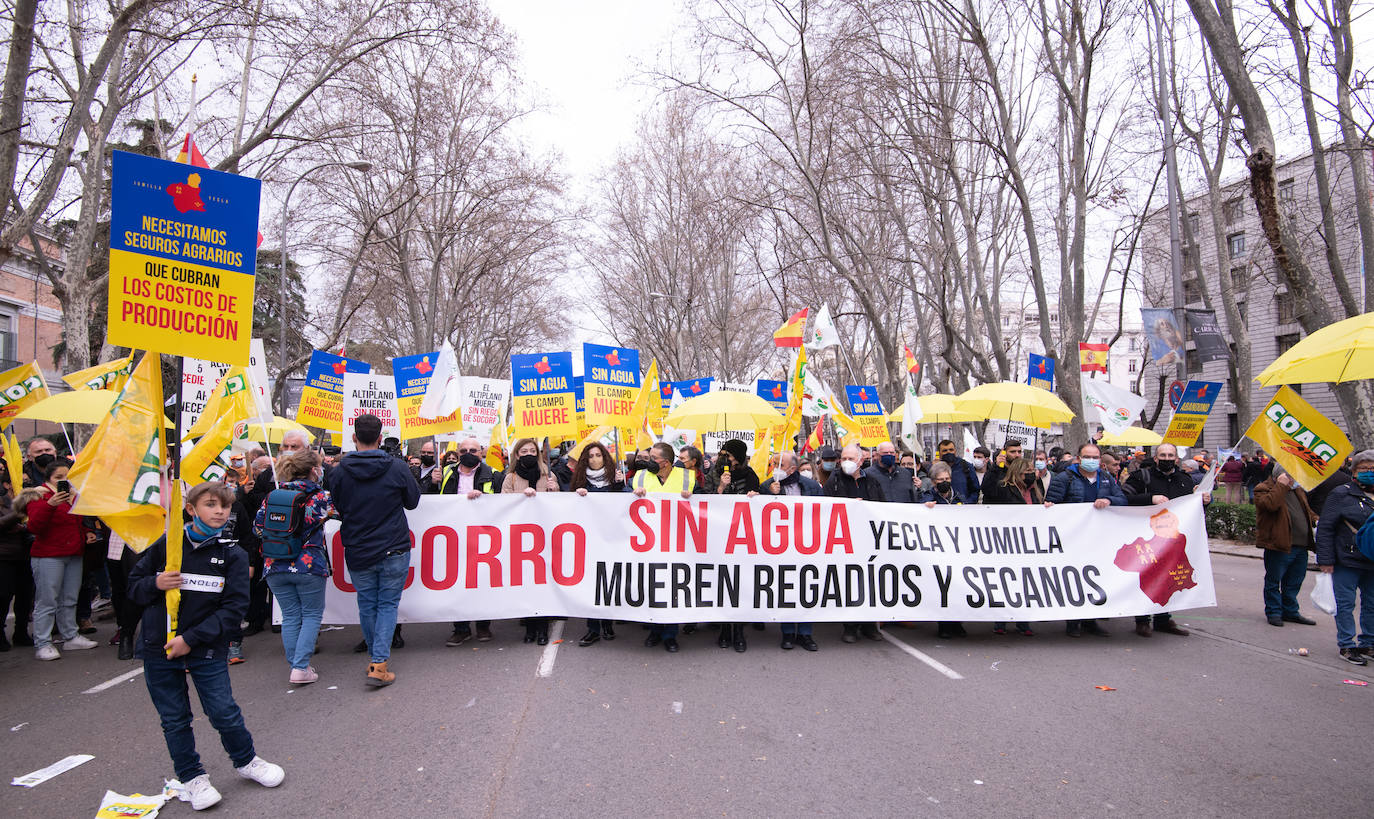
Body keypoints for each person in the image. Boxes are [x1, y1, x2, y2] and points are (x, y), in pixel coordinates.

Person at [128, 481, 284, 810]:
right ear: (191, 509)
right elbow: (133, 589)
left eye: (224, 506)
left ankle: (246, 760)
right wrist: (155, 583)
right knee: (174, 719)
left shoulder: (233, 554)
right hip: (160, 647)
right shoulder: (166, 546)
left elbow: (233, 610)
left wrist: (191, 639)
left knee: (223, 712)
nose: (219, 511)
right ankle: (192, 778)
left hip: (206, 648)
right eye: (211, 504)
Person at [324, 413, 421, 687]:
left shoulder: (339, 471)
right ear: (380, 438)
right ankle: (378, 663)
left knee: (367, 603)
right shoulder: (397, 468)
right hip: (393, 547)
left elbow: (339, 508)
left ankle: (375, 658)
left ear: (354, 438)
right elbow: (412, 502)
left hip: (358, 547)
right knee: (387, 604)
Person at [254, 449, 335, 685]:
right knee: (311, 615)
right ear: (313, 471)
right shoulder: (322, 498)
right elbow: (342, 514)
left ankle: (296, 665)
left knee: (290, 616)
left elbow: (257, 528)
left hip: (274, 564)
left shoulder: (273, 496)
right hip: (308, 564)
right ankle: (300, 668)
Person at [1122, 443, 1205, 637]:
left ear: (1176, 459)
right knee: (1147, 577)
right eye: (1163, 455)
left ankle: (1163, 618)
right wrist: (1150, 498)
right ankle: (1142, 620)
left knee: (1169, 577)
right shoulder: (1140, 477)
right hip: (1146, 537)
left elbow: (1191, 512)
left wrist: (1204, 502)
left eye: (1170, 455)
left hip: (1172, 540)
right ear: (1156, 458)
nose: (1167, 458)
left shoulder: (1184, 480)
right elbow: (1124, 498)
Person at [1046, 443, 1126, 637]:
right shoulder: (1065, 478)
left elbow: (1122, 499)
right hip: (1073, 539)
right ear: (1079, 459)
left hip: (1099, 539)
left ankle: (1091, 621)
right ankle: (1073, 622)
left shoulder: (1106, 478)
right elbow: (1052, 504)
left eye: (1095, 457)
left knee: (1095, 578)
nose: (1092, 461)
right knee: (1074, 579)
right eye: (1087, 457)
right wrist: (1050, 507)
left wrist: (1110, 501)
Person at [26, 458, 97, 660]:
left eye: (67, 477)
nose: (63, 481)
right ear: (48, 478)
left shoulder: (72, 496)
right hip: (48, 556)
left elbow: (76, 521)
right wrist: (50, 504)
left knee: (70, 598)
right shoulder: (39, 495)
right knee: (47, 600)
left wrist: (86, 532)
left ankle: (70, 635)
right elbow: (34, 527)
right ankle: (43, 642)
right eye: (59, 478)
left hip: (74, 553)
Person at [752, 451, 821, 651]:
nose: (775, 468)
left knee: (807, 589)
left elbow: (826, 513)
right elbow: (758, 515)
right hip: (780, 547)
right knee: (786, 590)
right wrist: (764, 496)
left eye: (779, 465)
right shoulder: (767, 486)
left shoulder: (812, 487)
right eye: (773, 463)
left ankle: (806, 634)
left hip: (807, 546)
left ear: (792, 469)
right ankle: (788, 633)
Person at [631, 442, 695, 652]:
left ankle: (670, 634)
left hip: (677, 541)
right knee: (652, 587)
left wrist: (691, 498)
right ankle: (654, 630)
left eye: (653, 459)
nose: (648, 462)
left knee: (672, 588)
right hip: (649, 543)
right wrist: (634, 493)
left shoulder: (686, 477)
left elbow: (702, 503)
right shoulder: (640, 477)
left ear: (665, 463)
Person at [1313, 449, 1374, 665]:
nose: (1370, 472)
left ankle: (1368, 642)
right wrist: (1326, 559)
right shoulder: (1341, 493)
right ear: (1354, 471)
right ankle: (1347, 644)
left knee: (1371, 603)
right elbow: (1326, 528)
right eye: (1364, 468)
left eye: (1373, 468)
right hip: (1346, 558)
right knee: (1345, 604)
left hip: (1371, 559)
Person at [442, 436, 500, 646]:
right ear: (457, 452)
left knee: (482, 581)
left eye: (473, 450)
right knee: (458, 582)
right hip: (454, 535)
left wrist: (484, 500)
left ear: (481, 452)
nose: (468, 454)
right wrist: (431, 483)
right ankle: (461, 628)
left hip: (483, 536)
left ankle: (483, 626)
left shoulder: (494, 475)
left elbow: (504, 503)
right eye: (464, 450)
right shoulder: (446, 473)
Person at [824, 443, 885, 643]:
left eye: (851, 459)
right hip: (845, 540)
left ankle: (870, 625)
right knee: (850, 583)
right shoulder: (834, 480)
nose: (846, 462)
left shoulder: (873, 481)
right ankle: (850, 626)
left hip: (869, 540)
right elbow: (826, 507)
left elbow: (882, 507)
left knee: (871, 583)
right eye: (844, 459)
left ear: (861, 461)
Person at [504, 437, 561, 645]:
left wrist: (554, 489)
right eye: (524, 451)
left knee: (543, 584)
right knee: (526, 584)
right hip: (521, 538)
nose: (528, 454)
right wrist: (520, 497)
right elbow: (502, 505)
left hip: (545, 536)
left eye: (532, 451)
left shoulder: (549, 475)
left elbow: (561, 506)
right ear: (517, 455)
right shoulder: (509, 478)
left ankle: (543, 628)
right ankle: (529, 627)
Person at [980, 457, 1042, 636]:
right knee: (1006, 582)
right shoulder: (1003, 488)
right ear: (1017, 472)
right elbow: (987, 490)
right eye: (1026, 472)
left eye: (1031, 471)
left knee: (1025, 582)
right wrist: (993, 468)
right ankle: (1001, 621)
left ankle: (1023, 621)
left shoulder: (1036, 489)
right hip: (1007, 542)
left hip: (1029, 542)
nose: (1030, 475)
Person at [571, 442, 624, 646]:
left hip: (612, 540)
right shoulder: (580, 482)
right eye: (590, 456)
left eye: (598, 455)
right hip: (589, 541)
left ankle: (608, 624)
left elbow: (626, 505)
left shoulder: (615, 480)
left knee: (609, 582)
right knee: (591, 585)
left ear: (605, 457)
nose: (594, 459)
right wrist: (576, 495)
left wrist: (621, 486)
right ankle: (592, 628)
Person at [1253, 464, 1317, 628]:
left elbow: (1306, 510)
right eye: (1292, 476)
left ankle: (1290, 611)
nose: (1295, 479)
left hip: (1300, 545)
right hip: (1279, 544)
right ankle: (1274, 611)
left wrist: (1315, 519)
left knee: (1294, 581)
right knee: (1274, 580)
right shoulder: (1263, 489)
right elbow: (1270, 505)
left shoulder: (1297, 490)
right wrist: (1281, 485)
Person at [0, 471, 34, 651]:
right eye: (22, 482)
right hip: (5, 557)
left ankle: (21, 632)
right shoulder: (3, 503)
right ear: (7, 484)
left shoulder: (31, 501)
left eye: (28, 482)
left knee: (25, 596)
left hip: (26, 555)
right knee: (4, 596)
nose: (26, 485)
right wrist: (17, 514)